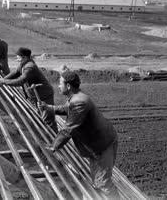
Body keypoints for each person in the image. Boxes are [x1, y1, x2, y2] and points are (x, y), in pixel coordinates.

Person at [39, 71, 120, 199]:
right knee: (99, 180)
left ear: (68, 86)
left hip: (102, 145)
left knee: (102, 182)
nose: (58, 86)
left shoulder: (79, 102)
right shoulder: (77, 97)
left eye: (60, 83)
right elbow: (67, 108)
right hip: (97, 144)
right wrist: (49, 107)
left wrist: (54, 146)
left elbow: (68, 129)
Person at [0, 47, 57, 132]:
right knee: (41, 118)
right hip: (36, 95)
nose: (16, 57)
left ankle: (55, 141)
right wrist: (2, 79)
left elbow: (21, 81)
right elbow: (15, 73)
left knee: (48, 120)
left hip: (44, 95)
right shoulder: (23, 64)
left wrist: (4, 81)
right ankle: (51, 139)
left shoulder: (29, 67)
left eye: (18, 56)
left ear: (24, 57)